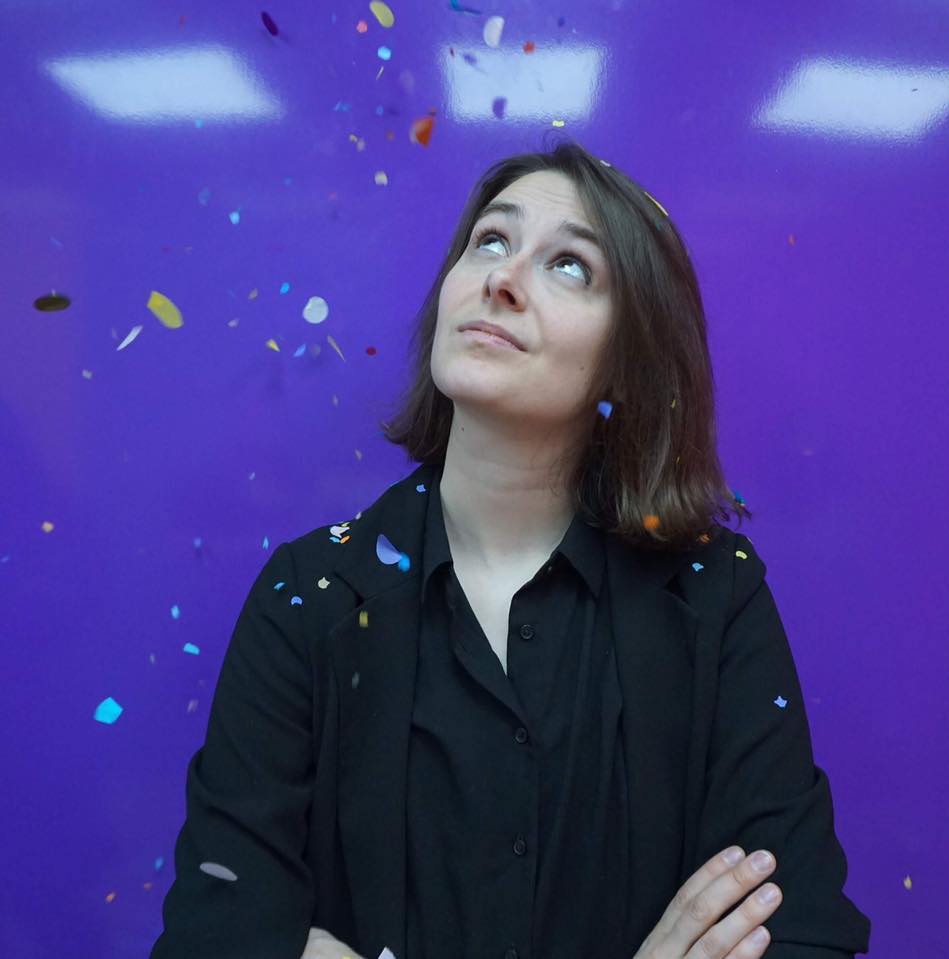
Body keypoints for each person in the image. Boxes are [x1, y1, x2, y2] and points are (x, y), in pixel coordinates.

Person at [150, 140, 871, 959]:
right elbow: (213, 937)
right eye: (491, 240)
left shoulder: (716, 596)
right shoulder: (306, 594)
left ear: (627, 363)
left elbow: (800, 932)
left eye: (570, 266)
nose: (503, 277)